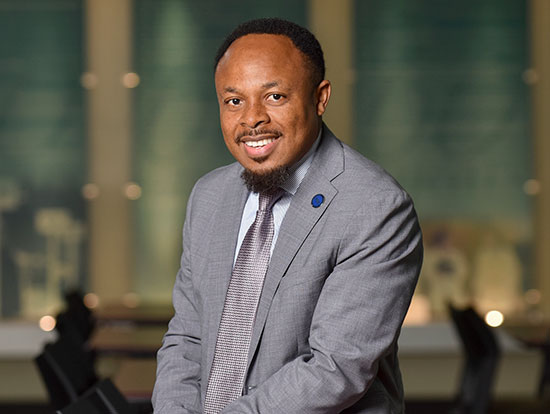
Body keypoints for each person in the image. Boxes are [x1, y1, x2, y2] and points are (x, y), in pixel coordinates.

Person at [152, 17, 423, 414]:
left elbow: (336, 369)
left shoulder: (375, 207)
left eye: (274, 96)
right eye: (234, 101)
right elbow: (187, 338)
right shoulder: (208, 197)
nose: (252, 119)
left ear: (320, 98)